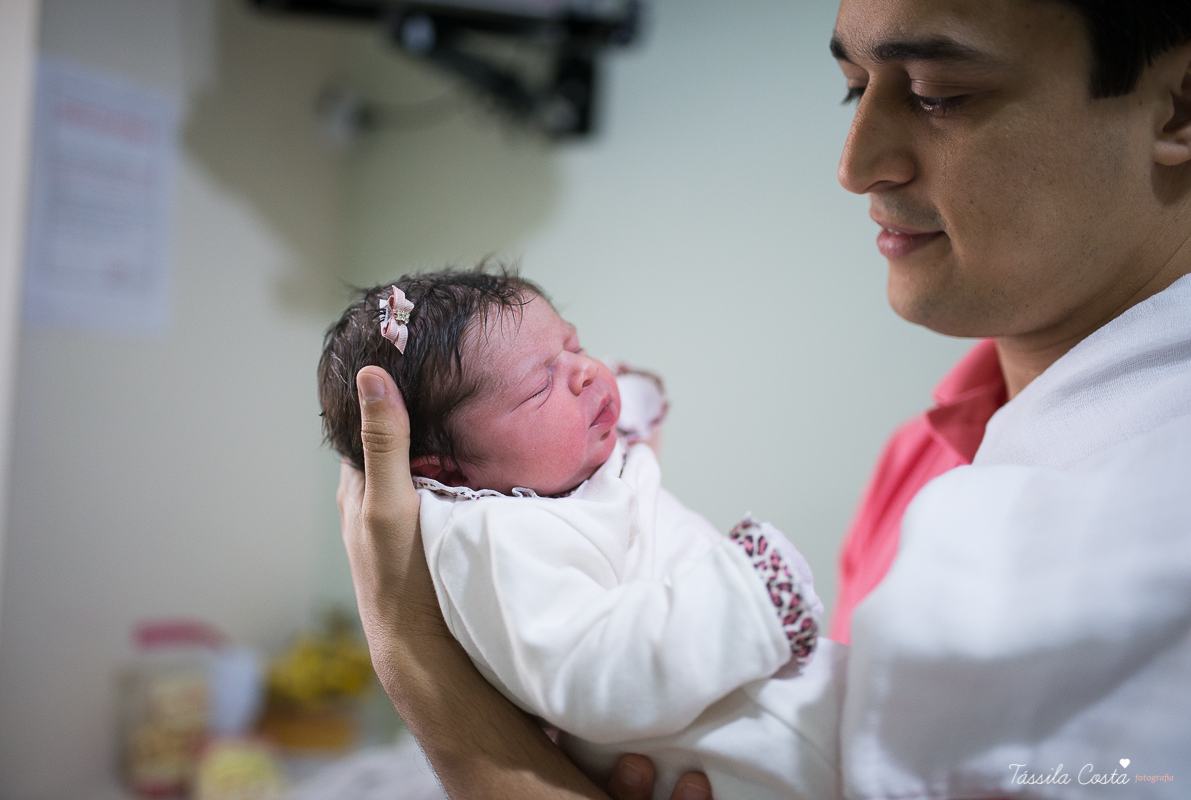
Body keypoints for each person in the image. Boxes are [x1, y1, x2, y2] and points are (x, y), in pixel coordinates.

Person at [336, 0, 1191, 797]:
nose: (855, 165)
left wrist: (428, 681)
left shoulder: (1148, 499)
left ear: (1178, 107)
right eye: (854, 89)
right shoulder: (920, 459)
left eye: (939, 93)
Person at [318, 270, 838, 799]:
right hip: (759, 751)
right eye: (540, 384)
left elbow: (604, 439)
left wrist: (627, 407)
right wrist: (745, 599)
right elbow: (592, 670)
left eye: (574, 345)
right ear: (450, 473)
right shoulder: (493, 537)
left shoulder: (555, 474)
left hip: (775, 713)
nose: (587, 372)